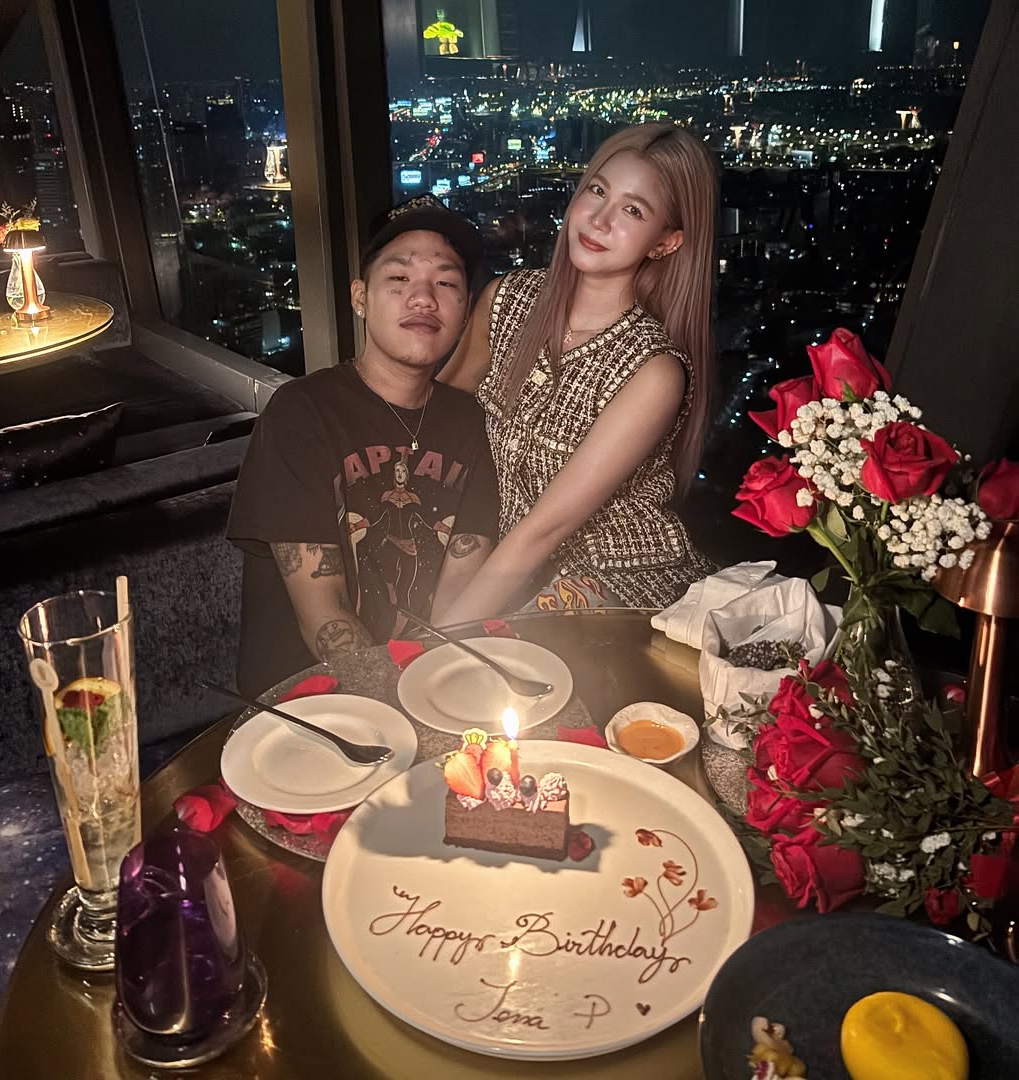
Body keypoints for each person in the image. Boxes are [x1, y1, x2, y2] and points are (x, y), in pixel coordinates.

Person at [437, 122, 717, 622]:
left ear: (666, 242)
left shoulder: (653, 371)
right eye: (597, 191)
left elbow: (543, 530)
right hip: (502, 561)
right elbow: (437, 420)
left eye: (633, 210)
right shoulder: (507, 300)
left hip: (614, 583)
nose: (600, 219)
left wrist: (439, 639)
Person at [228, 196, 499, 696]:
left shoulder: (471, 422)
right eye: (399, 278)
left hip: (424, 687)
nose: (423, 298)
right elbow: (324, 613)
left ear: (466, 310)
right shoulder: (301, 412)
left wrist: (435, 692)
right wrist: (396, 699)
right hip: (307, 704)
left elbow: (460, 587)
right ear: (360, 298)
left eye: (446, 283)